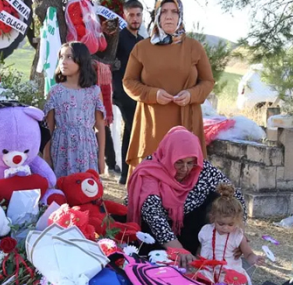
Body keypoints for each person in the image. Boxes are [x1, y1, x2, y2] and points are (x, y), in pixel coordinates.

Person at [127, 126, 247, 268]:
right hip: (155, 235)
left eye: (190, 163)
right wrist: (178, 250)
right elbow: (154, 216)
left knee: (219, 196)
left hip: (190, 231)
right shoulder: (150, 172)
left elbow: (234, 195)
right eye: (178, 162)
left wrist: (237, 235)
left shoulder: (202, 169)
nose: (185, 169)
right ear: (168, 155)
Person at [123, 0, 214, 178]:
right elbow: (128, 82)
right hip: (152, 124)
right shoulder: (142, 48)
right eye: (164, 11)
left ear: (181, 16)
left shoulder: (194, 47)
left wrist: (191, 94)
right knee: (152, 177)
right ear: (157, 15)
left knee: (185, 176)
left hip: (186, 121)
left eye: (174, 12)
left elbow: (208, 81)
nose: (169, 16)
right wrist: (153, 94)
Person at [44, 42, 106, 178]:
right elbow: (49, 127)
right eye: (61, 57)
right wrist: (47, 156)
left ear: (81, 60)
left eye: (69, 57)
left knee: (85, 189)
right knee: (63, 189)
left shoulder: (94, 92)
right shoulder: (55, 92)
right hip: (61, 149)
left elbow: (100, 126)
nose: (63, 62)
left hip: (87, 149)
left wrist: (101, 158)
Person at [197, 183, 261, 285]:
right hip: (209, 273)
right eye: (221, 223)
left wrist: (255, 259)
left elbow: (248, 254)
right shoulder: (206, 231)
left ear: (237, 221)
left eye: (230, 224)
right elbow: (202, 249)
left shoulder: (237, 235)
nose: (225, 228)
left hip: (230, 275)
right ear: (213, 217)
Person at [113, 0, 143, 184]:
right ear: (125, 15)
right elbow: (108, 63)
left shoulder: (142, 42)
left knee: (135, 131)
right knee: (132, 129)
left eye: (138, 15)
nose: (135, 18)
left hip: (139, 93)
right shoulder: (117, 38)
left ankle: (133, 171)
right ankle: (126, 173)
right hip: (122, 93)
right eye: (131, 15)